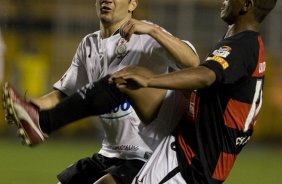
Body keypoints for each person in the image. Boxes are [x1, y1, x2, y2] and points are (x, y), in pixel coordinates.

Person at [4, 0, 276, 183]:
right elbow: (64, 93)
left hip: (181, 160)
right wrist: (30, 107)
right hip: (144, 148)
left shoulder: (243, 45)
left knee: (132, 79)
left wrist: (152, 77)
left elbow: (201, 71)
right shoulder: (88, 44)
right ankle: (42, 122)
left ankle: (44, 124)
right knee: (125, 79)